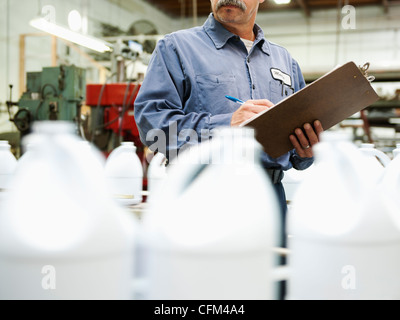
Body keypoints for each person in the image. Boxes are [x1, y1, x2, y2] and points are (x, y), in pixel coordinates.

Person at [134, 0, 324, 244]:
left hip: (270, 199)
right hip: (202, 197)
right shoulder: (176, 48)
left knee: (269, 279)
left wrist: (306, 152)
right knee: (206, 279)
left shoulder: (284, 60)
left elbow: (300, 154)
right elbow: (154, 130)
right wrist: (228, 126)